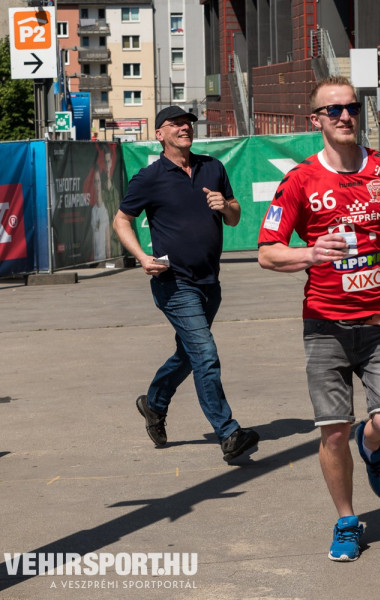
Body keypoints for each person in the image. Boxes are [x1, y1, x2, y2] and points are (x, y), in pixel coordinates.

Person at [257, 76, 380, 562]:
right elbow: (267, 252)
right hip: (325, 325)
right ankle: (347, 521)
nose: (344, 116)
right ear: (315, 120)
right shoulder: (300, 180)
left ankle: (372, 446)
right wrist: (309, 252)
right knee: (333, 431)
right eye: (332, 110)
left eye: (351, 108)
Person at [112, 106, 260, 461]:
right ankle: (228, 432)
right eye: (175, 124)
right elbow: (121, 220)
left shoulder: (213, 167)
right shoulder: (149, 177)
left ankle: (154, 403)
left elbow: (235, 216)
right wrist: (142, 257)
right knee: (205, 354)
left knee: (190, 353)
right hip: (174, 282)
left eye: (188, 123)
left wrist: (225, 206)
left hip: (210, 280)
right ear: (159, 134)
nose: (184, 128)